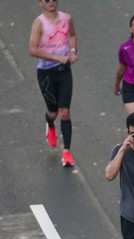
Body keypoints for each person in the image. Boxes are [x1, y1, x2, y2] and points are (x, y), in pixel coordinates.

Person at [29, 0, 78, 167]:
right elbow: (32, 50)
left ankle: (67, 152)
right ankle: (50, 124)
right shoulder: (39, 23)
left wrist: (72, 51)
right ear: (40, 3)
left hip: (64, 71)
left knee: (64, 112)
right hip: (46, 73)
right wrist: (57, 57)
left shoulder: (67, 18)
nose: (51, 2)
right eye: (46, 0)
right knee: (53, 112)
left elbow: (72, 36)